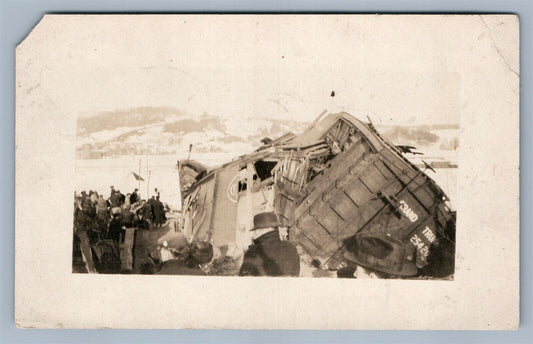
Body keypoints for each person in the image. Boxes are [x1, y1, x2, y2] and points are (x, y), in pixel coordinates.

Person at [239, 212, 300, 277]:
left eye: (255, 230)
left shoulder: (253, 251)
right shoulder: (291, 248)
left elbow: (244, 280)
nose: (254, 234)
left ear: (262, 230)